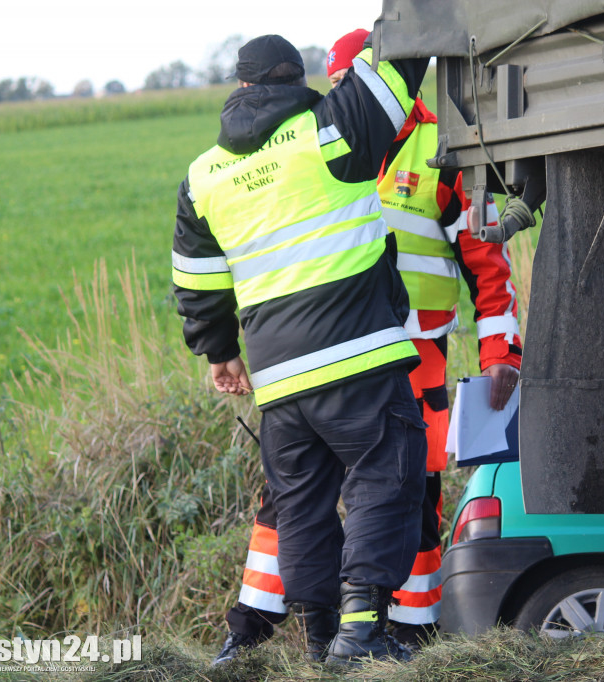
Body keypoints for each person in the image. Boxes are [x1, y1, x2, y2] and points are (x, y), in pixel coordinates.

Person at [213, 28, 523, 663]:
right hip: (337, 356)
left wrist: (501, 355)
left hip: (413, 361)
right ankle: (253, 634)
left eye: (349, 83)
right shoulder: (322, 147)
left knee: (411, 493)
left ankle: (410, 632)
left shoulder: (443, 150)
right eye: (336, 85)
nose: (340, 95)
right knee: (289, 499)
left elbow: (486, 267)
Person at [172, 32, 431, 666]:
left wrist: (218, 352)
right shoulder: (331, 128)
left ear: (241, 87)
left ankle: (321, 641)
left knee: (301, 506)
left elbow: (196, 278)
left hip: (279, 381)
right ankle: (363, 632)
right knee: (384, 480)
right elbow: (404, 56)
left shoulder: (203, 176)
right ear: (298, 79)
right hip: (360, 357)